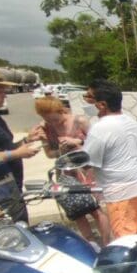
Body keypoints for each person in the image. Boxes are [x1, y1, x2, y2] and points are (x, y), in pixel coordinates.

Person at [82, 79, 137, 239]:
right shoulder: (130, 121)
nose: (85, 100)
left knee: (125, 236)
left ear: (101, 105)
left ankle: (135, 263)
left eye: (88, 97)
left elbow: (87, 162)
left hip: (121, 191)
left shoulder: (100, 128)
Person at [35, 97, 111, 244]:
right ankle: (91, 244)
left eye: (55, 119)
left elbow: (96, 144)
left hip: (86, 170)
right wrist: (59, 150)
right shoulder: (46, 128)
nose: (53, 123)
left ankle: (106, 242)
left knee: (95, 209)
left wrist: (77, 142)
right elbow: (49, 154)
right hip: (65, 173)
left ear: (60, 111)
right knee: (77, 212)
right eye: (48, 120)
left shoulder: (80, 121)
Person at [0, 68, 43, 222]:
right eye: (0, 91)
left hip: (8, 193)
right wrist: (16, 154)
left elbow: (0, 150)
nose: (5, 95)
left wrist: (26, 141)